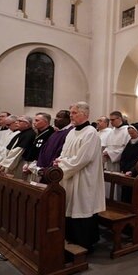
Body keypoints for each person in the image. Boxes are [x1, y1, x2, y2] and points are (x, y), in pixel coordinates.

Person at [53, 101, 105, 252]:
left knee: (82, 207)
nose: (71, 116)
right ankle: (71, 239)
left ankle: (85, 243)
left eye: (74, 113)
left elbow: (84, 158)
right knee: (71, 207)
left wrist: (62, 164)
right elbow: (64, 152)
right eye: (71, 113)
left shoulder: (91, 133)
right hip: (69, 175)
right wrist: (60, 160)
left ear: (85, 114)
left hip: (83, 177)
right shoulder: (71, 131)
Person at [25, 110, 73, 183]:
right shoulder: (56, 133)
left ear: (68, 119)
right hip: (41, 169)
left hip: (52, 171)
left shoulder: (69, 133)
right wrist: (37, 165)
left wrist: (47, 169)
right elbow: (43, 150)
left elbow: (59, 152)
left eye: (59, 117)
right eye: (56, 117)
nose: (56, 119)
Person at [121, 122, 138, 203]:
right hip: (126, 170)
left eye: (132, 133)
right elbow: (124, 155)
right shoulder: (130, 141)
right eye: (129, 133)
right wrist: (122, 168)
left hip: (136, 171)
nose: (131, 135)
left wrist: (132, 170)